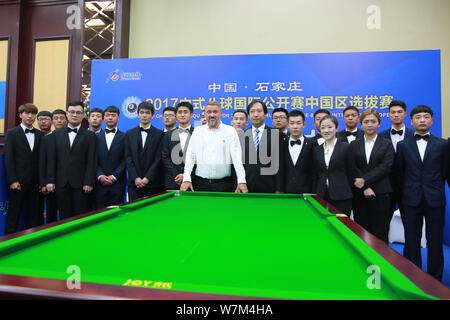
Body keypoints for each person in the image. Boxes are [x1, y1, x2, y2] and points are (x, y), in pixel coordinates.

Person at [396, 105, 447, 282]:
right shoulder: (403, 145)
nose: (422, 120)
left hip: (435, 199)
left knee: (435, 240)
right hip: (411, 199)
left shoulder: (443, 144)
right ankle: (412, 277)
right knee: (411, 240)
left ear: (432, 121)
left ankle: (435, 278)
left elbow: (446, 171)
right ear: (411, 121)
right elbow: (400, 174)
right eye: (418, 117)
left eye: (426, 117)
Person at [46, 101, 98, 219]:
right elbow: (51, 159)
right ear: (67, 114)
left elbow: (92, 161)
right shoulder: (55, 135)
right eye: (72, 112)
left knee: (80, 217)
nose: (75, 115)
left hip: (81, 185)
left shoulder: (90, 135)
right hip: (61, 183)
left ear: (83, 115)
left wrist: (89, 182)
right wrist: (50, 180)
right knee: (64, 216)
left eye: (78, 112)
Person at [180, 101, 247, 193]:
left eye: (215, 112)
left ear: (221, 114)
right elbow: (190, 156)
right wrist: (186, 178)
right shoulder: (197, 131)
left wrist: (242, 180)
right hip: (200, 184)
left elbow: (237, 158)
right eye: (209, 112)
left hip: (224, 185)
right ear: (205, 114)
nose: (212, 115)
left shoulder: (230, 131)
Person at [349, 109, 394, 244]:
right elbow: (352, 167)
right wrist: (364, 187)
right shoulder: (354, 144)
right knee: (361, 230)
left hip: (380, 192)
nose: (370, 124)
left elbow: (386, 166)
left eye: (373, 121)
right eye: (366, 122)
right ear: (361, 124)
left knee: (380, 231)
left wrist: (365, 181)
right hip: (359, 193)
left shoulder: (386, 143)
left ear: (379, 124)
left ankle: (381, 263)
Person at [4, 103, 43, 234]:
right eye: (27, 113)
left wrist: (41, 181)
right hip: (18, 183)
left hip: (35, 183)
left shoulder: (39, 134)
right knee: (14, 215)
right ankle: (9, 244)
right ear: (20, 115)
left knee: (33, 216)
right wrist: (13, 180)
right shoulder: (12, 133)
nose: (30, 116)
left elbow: (41, 160)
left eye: (33, 114)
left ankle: (30, 242)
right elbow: (8, 158)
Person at [379, 100, 414, 227]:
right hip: (386, 187)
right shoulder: (380, 136)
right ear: (388, 115)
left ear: (405, 114)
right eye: (393, 112)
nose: (396, 115)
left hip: (409, 187)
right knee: (383, 224)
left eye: (399, 112)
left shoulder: (414, 135)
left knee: (410, 225)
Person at [312, 115, 353, 216]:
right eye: (323, 127)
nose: (326, 130)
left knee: (342, 223)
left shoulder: (346, 147)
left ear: (337, 128)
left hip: (342, 195)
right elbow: (316, 174)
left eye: (330, 127)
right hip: (322, 194)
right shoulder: (317, 150)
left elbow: (352, 171)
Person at [125, 101, 164, 201]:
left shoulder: (159, 134)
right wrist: (135, 178)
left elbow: (158, 158)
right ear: (138, 114)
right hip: (134, 183)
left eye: (147, 113)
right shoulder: (129, 133)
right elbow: (128, 157)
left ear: (152, 115)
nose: (144, 115)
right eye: (142, 112)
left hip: (152, 183)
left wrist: (147, 178)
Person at [243, 100, 283, 193]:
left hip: (269, 187)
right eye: (252, 112)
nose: (255, 114)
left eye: (259, 111)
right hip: (247, 187)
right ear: (248, 115)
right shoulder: (242, 135)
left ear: (265, 114)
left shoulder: (276, 134)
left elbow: (280, 163)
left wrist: (279, 188)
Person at [39, 109, 68, 224]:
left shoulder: (71, 138)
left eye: (62, 118)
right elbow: (42, 163)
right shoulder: (46, 139)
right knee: (50, 214)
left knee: (65, 214)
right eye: (56, 118)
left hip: (66, 183)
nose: (59, 121)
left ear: (66, 120)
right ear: (52, 121)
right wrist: (44, 183)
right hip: (49, 184)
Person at [96, 106, 126, 209]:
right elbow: (93, 159)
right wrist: (100, 175)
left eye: (113, 115)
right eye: (107, 115)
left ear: (118, 118)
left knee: (117, 213)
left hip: (118, 183)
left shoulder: (125, 136)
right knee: (99, 214)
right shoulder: (96, 137)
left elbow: (126, 159)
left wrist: (114, 176)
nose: (110, 118)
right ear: (103, 118)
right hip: (99, 184)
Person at [279, 110, 316, 194]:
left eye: (298, 123)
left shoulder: (312, 145)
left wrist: (313, 192)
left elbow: (315, 172)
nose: (295, 126)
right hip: (285, 192)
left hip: (306, 193)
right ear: (287, 125)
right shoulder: (281, 144)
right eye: (292, 123)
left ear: (304, 125)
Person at [161, 101, 195, 190]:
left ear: (191, 115)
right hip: (172, 180)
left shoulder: (197, 133)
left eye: (185, 112)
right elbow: (165, 156)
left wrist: (186, 175)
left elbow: (200, 157)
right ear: (176, 115)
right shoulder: (168, 135)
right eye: (180, 112)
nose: (182, 115)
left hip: (193, 180)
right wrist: (176, 174)